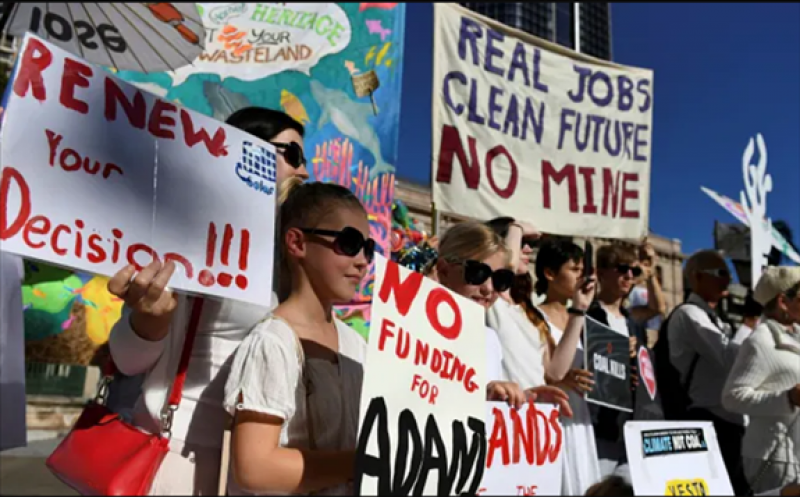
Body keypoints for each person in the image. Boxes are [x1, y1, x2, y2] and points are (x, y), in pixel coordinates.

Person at [105, 108, 309, 495]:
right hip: (180, 459)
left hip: (266, 464)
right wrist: (149, 320)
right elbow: (128, 360)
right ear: (243, 151)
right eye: (293, 156)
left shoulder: (293, 251)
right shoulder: (190, 235)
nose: (304, 172)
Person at [224, 181, 370, 495]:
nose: (363, 260)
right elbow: (254, 467)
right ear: (297, 243)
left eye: (368, 249)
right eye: (349, 242)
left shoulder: (357, 347)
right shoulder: (273, 341)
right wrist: (361, 464)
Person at [432, 221, 573, 414]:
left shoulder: (490, 339)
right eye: (477, 273)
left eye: (500, 279)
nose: (488, 288)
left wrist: (519, 399)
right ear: (444, 270)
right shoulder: (411, 325)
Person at [664, 249, 749, 494]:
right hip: (707, 419)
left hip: (727, 420)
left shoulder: (717, 320)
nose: (728, 280)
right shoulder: (689, 314)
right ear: (697, 277)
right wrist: (750, 323)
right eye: (721, 273)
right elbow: (730, 359)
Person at [483, 218, 590, 407]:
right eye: (521, 242)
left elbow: (555, 372)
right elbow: (505, 268)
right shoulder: (492, 302)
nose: (528, 250)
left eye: (529, 244)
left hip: (535, 418)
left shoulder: (529, 314)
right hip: (506, 416)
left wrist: (579, 310)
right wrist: (516, 227)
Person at [587, 242, 666, 482]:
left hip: (633, 423)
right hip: (601, 426)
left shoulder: (632, 319)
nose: (629, 276)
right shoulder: (589, 314)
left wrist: (650, 273)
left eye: (634, 272)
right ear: (601, 273)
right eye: (622, 269)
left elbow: (658, 308)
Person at [722, 266, 800, 494]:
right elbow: (732, 397)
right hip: (773, 457)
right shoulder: (759, 342)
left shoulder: (795, 336)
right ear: (783, 301)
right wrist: (788, 397)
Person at [534, 238, 601, 495]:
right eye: (574, 270)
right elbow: (544, 372)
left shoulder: (587, 321)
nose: (582, 277)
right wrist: (562, 382)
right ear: (550, 273)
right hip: (553, 417)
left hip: (581, 418)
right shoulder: (534, 316)